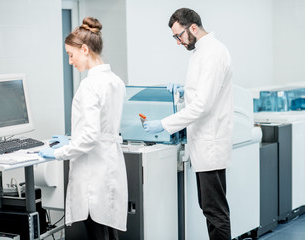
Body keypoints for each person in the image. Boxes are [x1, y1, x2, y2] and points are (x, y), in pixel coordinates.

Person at [143, 8, 233, 240]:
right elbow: (201, 95)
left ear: (192, 27)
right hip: (204, 142)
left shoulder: (212, 52)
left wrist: (164, 124)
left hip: (210, 143)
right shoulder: (202, 52)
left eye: (179, 36)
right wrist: (184, 93)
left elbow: (202, 106)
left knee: (215, 211)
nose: (178, 42)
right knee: (210, 208)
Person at [38, 17, 127, 240]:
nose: (70, 61)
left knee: (99, 233)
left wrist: (58, 152)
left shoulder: (90, 85)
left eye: (71, 54)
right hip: (108, 166)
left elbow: (89, 137)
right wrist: (73, 138)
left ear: (85, 49)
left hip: (93, 174)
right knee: (108, 231)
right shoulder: (115, 81)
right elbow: (100, 128)